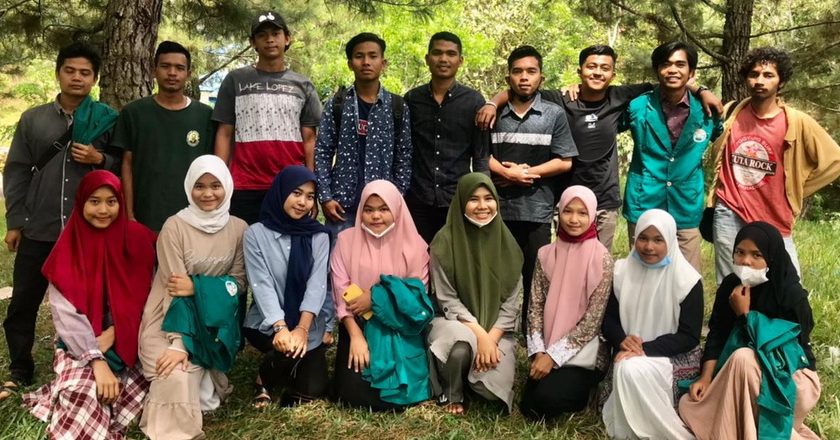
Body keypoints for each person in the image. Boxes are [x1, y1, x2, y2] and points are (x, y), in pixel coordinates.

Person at [477, 44, 722, 250]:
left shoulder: (621, 97)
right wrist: (492, 103)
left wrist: (701, 90)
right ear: (580, 71)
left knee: (599, 266)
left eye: (605, 68)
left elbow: (669, 82)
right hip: (567, 198)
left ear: (613, 74)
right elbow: (521, 88)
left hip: (605, 200)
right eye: (591, 67)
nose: (597, 73)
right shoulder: (562, 98)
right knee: (567, 265)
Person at [2, 42, 119, 399]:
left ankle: (84, 359)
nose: (77, 78)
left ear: (94, 78)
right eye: (70, 70)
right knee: (24, 299)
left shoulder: (106, 119)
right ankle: (19, 367)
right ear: (58, 73)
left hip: (87, 230)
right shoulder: (34, 119)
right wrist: (15, 222)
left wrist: (100, 159)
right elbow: (17, 171)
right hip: (40, 226)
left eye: (85, 72)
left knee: (89, 301)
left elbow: (122, 164)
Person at [21, 171, 156, 439]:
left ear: (121, 202)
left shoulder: (138, 239)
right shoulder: (69, 246)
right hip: (80, 343)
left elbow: (149, 296)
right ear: (81, 202)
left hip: (132, 341)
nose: (103, 210)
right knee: (84, 392)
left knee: (141, 390)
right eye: (94, 201)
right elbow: (65, 316)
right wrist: (95, 360)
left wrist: (117, 331)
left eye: (111, 202)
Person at [706, 47, 840, 283]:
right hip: (730, 211)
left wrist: (797, 188)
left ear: (781, 81)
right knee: (730, 283)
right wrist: (699, 88)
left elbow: (835, 160)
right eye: (754, 74)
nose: (760, 81)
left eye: (768, 75)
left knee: (789, 287)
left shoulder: (796, 121)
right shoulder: (731, 113)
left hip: (774, 216)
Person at [138, 155, 248, 439]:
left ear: (227, 186)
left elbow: (238, 284)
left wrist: (197, 286)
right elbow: (174, 290)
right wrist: (178, 343)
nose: (208, 194)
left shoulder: (238, 228)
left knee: (201, 393)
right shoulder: (174, 227)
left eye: (215, 185)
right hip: (168, 318)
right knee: (175, 372)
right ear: (189, 187)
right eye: (199, 186)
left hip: (212, 321)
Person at [679, 222, 821, 439]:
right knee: (689, 404)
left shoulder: (790, 294)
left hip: (791, 378)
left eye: (756, 255)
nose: (746, 261)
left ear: (772, 258)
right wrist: (706, 378)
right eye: (740, 252)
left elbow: (785, 350)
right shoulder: (730, 286)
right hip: (743, 374)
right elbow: (717, 334)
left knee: (743, 357)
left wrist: (745, 315)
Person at [488, 45, 577, 332]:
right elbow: (480, 154)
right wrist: (506, 172)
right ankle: (498, 328)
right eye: (517, 72)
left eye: (531, 71)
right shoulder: (494, 114)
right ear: (508, 78)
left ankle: (532, 331)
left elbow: (564, 161)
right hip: (497, 210)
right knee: (498, 274)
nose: (524, 77)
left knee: (534, 275)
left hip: (537, 209)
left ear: (541, 77)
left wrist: (525, 173)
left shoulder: (553, 114)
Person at [600, 209, 703, 440]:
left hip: (672, 357)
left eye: (658, 240)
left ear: (670, 240)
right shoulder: (621, 271)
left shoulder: (687, 280)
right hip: (628, 352)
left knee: (629, 368)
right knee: (627, 367)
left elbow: (689, 336)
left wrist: (644, 349)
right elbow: (609, 319)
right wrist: (622, 340)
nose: (649, 247)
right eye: (643, 238)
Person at [426, 173, 523, 415]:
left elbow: (511, 305)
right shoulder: (443, 242)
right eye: (473, 199)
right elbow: (447, 300)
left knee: (490, 391)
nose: (482, 206)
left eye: (488, 198)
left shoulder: (509, 246)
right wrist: (481, 336)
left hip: (497, 330)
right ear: (461, 202)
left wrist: (492, 338)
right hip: (454, 323)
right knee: (459, 348)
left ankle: (471, 377)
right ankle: (452, 391)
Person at [213, 10, 322, 225]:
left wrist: (310, 187)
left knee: (288, 244)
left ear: (287, 38)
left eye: (275, 33)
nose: (269, 39)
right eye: (262, 35)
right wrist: (219, 180)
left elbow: (310, 139)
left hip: (291, 186)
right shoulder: (235, 80)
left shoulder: (303, 85)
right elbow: (224, 133)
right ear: (253, 42)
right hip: (244, 186)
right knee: (244, 244)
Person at [331, 180, 432, 410]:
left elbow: (416, 295)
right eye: (369, 210)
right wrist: (356, 336)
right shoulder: (346, 241)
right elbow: (340, 291)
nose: (376, 216)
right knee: (353, 393)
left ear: (397, 208)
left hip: (400, 323)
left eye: (384, 209)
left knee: (404, 391)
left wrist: (375, 298)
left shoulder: (415, 246)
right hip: (358, 321)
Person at [622, 41, 722, 272]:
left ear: (691, 72)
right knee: (641, 273)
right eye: (666, 64)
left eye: (680, 64)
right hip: (645, 198)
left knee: (687, 276)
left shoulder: (708, 111)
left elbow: (720, 139)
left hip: (685, 202)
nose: (673, 70)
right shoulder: (638, 106)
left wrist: (701, 90)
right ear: (657, 70)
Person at [242, 165, 333, 407]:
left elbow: (317, 285)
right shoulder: (255, 234)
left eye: (310, 196)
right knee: (287, 349)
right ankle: (265, 377)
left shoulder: (319, 236)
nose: (303, 202)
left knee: (312, 389)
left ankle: (280, 368)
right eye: (296, 193)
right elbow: (261, 285)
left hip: (307, 323)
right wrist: (281, 328)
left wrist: (302, 329)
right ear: (281, 192)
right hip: (268, 323)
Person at [521, 186, 613, 420]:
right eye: (568, 211)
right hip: (546, 347)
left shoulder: (601, 259)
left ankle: (588, 391)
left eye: (582, 213)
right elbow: (535, 307)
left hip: (584, 355)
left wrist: (552, 357)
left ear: (592, 215)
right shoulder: (545, 254)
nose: (573, 219)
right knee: (529, 406)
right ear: (559, 213)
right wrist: (539, 352)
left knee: (547, 400)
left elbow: (591, 323)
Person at [315, 32, 412, 237]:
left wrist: (397, 195)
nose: (366, 62)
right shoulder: (338, 104)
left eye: (373, 56)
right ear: (350, 64)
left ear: (383, 63)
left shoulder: (396, 106)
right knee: (340, 256)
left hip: (382, 207)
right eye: (359, 56)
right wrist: (325, 197)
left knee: (381, 257)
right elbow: (323, 151)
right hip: (342, 207)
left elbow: (404, 155)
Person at [114, 41, 216, 231]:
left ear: (188, 74)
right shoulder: (133, 113)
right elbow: (126, 165)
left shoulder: (205, 116)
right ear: (154, 70)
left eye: (179, 68)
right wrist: (129, 215)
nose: (172, 73)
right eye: (165, 66)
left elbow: (213, 169)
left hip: (193, 219)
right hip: (146, 219)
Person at [404, 31, 489, 244]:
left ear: (460, 60)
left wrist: (483, 196)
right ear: (427, 59)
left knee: (454, 257)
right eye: (437, 53)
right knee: (418, 257)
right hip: (417, 198)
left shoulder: (473, 101)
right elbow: (403, 151)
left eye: (451, 54)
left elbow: (480, 155)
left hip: (457, 198)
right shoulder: (412, 100)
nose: (443, 59)